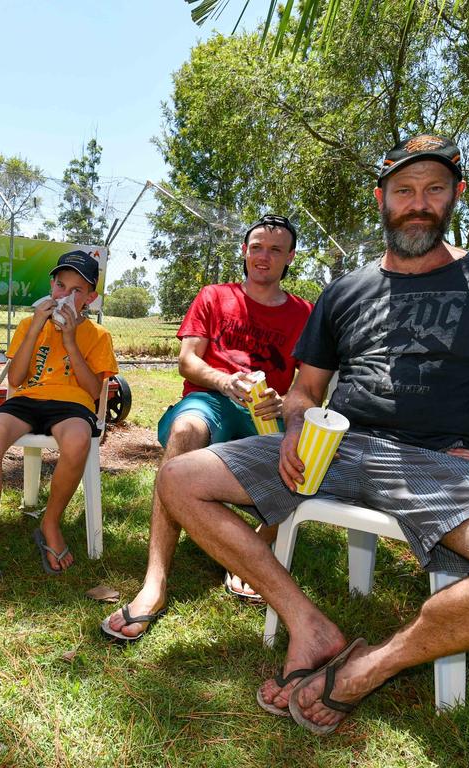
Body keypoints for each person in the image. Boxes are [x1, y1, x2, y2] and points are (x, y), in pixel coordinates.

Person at [153, 134, 469, 733]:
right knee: (179, 477)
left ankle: (367, 669)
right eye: (403, 189)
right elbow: (306, 391)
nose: (418, 202)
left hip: (441, 464)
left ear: (456, 196)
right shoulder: (345, 291)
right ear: (381, 199)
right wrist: (296, 428)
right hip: (338, 448)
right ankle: (308, 625)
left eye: (434, 188)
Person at [102, 215, 313, 641]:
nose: (264, 256)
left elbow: (307, 386)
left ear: (290, 257)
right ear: (244, 251)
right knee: (185, 430)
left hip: (264, 413)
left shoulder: (305, 313)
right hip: (211, 399)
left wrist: (282, 402)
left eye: (275, 249)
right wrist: (224, 381)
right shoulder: (215, 296)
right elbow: (188, 361)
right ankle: (154, 584)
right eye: (257, 246)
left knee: (305, 449)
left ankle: (255, 546)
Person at [0, 250, 118, 607]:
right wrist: (36, 327)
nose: (65, 296)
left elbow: (93, 390)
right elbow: (17, 379)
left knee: (79, 439)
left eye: (77, 291)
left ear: (91, 298)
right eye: (60, 285)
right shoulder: (27, 325)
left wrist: (69, 341)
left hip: (72, 403)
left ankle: (51, 522)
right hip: (28, 399)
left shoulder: (98, 334)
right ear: (51, 285)